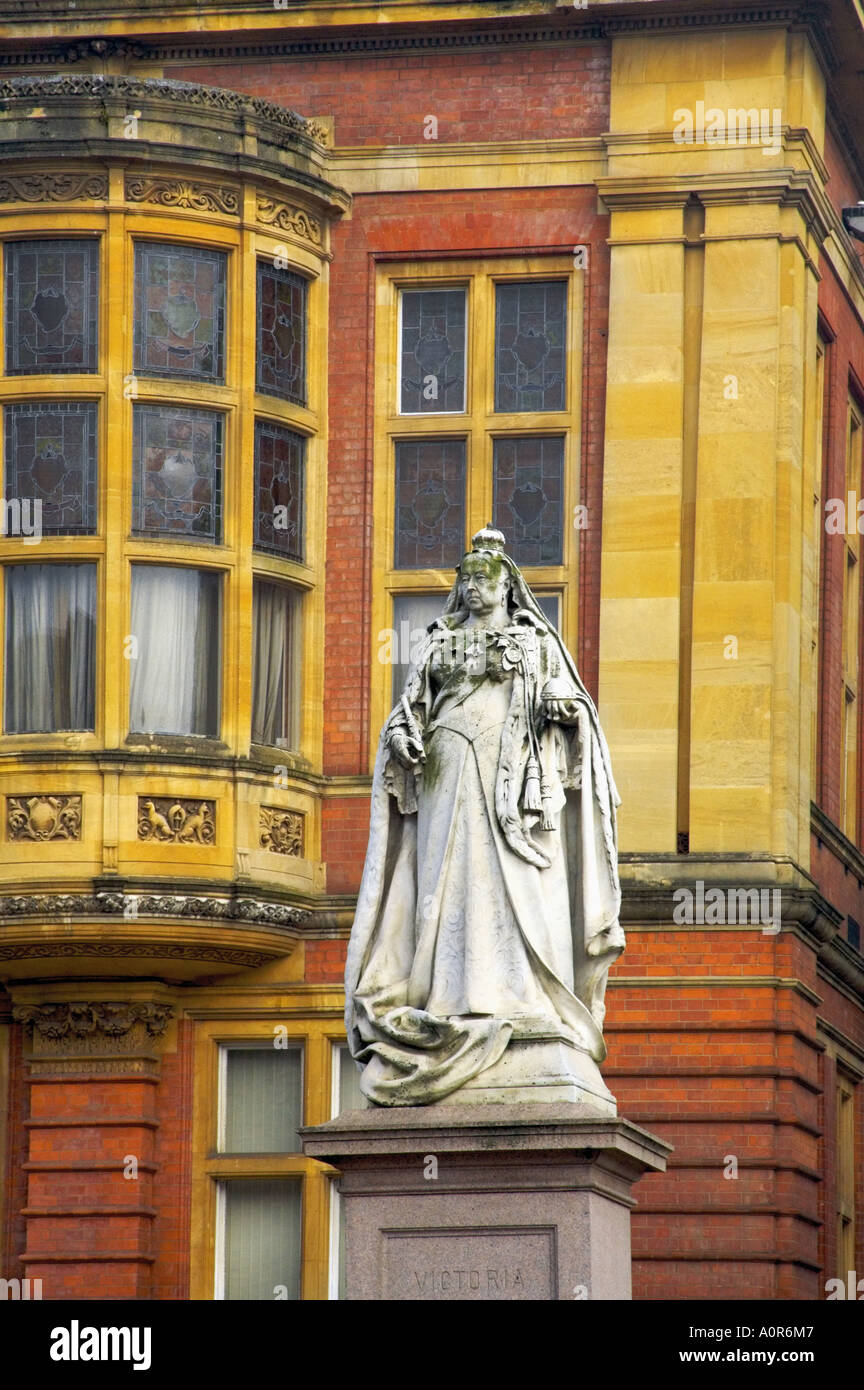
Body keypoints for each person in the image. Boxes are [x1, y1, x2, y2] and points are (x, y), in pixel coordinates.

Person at [344, 526, 624, 1105]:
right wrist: (400, 738)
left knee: (515, 884)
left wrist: (564, 707)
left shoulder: (537, 642)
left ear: (508, 586)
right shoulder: (437, 642)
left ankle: (521, 997)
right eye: (467, 579)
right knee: (448, 883)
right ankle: (449, 997)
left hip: (515, 773)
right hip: (447, 766)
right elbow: (407, 712)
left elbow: (574, 711)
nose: (475, 588)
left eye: (485, 579)